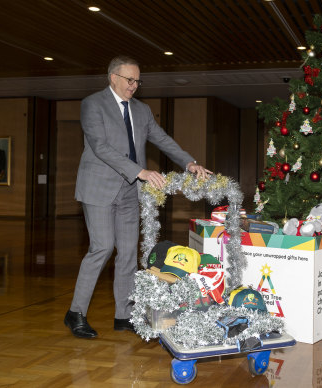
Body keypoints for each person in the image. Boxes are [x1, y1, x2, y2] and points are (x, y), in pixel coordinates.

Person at [64, 56, 212, 339]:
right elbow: (100, 147)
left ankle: (124, 314)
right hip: (99, 187)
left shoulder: (142, 110)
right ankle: (76, 313)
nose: (134, 85)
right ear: (113, 78)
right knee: (103, 247)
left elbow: (163, 139)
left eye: (137, 81)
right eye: (129, 80)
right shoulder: (93, 104)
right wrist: (140, 171)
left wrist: (189, 163)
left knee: (129, 253)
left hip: (130, 192)